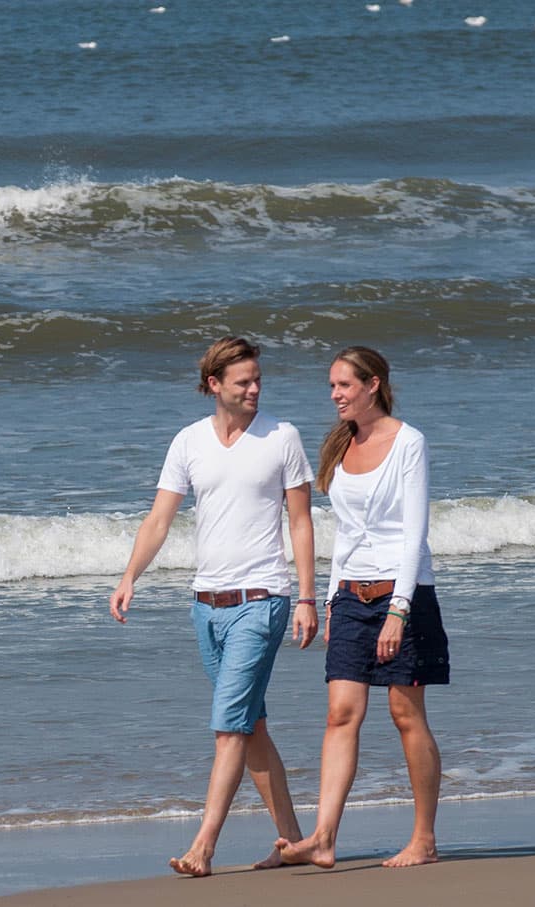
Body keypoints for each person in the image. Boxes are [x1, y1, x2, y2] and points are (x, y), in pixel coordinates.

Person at [110, 336, 319, 877]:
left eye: (257, 380)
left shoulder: (282, 437)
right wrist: (130, 576)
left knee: (228, 726)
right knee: (250, 728)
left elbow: (300, 521)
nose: (253, 389)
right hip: (206, 606)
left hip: (263, 599)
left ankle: (203, 846)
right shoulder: (189, 442)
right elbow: (159, 519)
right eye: (242, 382)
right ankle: (295, 840)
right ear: (214, 386)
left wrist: (304, 596)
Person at [265, 345, 449, 871]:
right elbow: (344, 533)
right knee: (340, 713)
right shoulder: (340, 444)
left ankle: (424, 839)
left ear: (373, 384)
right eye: (331, 386)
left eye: (343, 385)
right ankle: (323, 838)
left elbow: (415, 532)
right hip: (350, 595)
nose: (335, 395)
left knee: (405, 714)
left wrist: (399, 610)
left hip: (403, 592)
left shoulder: (408, 442)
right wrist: (327, 599)